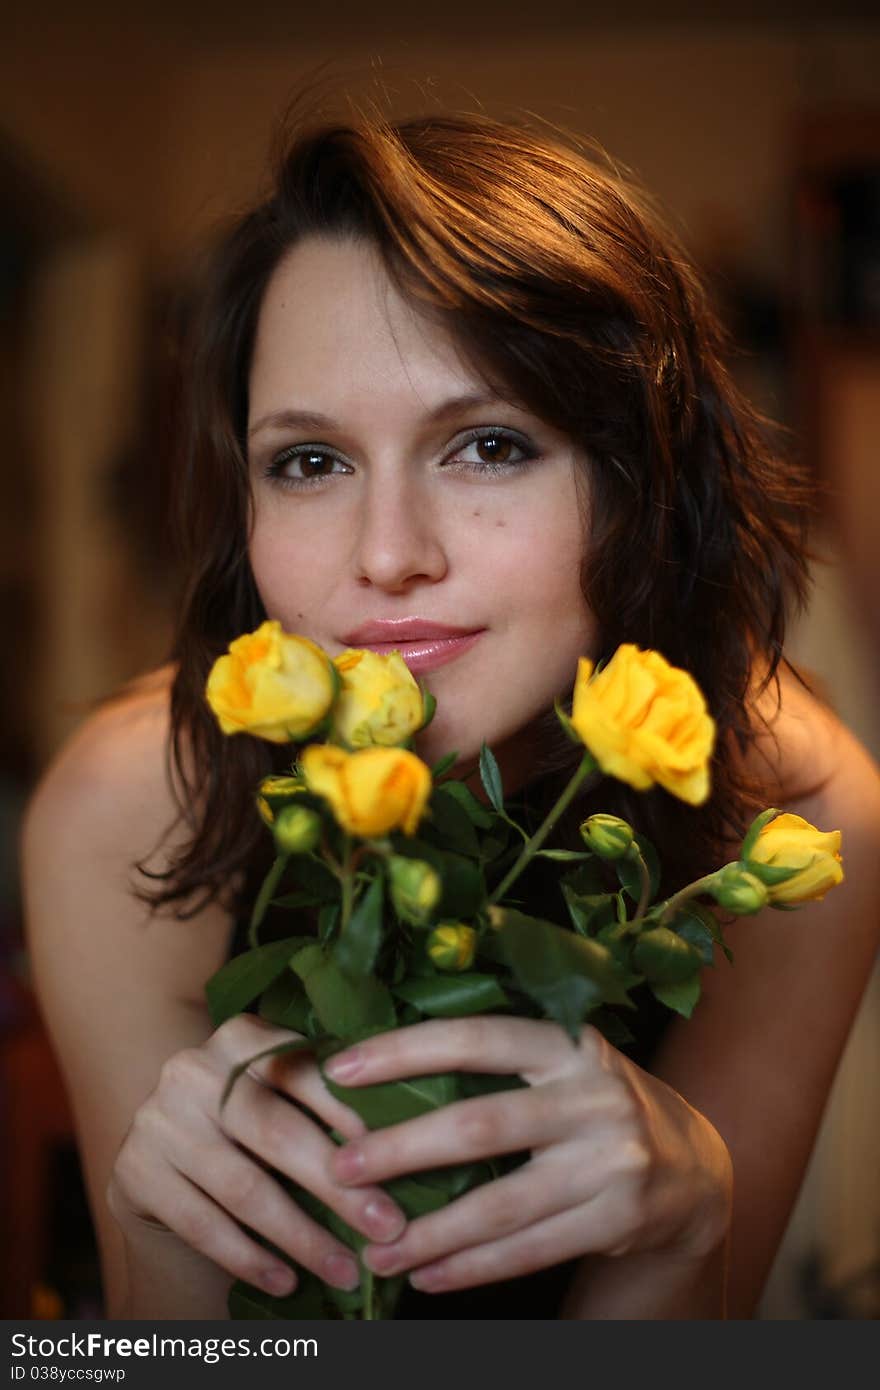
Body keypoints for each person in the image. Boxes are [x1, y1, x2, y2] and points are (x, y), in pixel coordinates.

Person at [22, 109, 880, 1321]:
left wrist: (678, 1236)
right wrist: (162, 1234)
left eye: (486, 445)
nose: (386, 557)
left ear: (641, 480)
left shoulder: (791, 808)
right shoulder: (127, 804)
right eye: (310, 462)